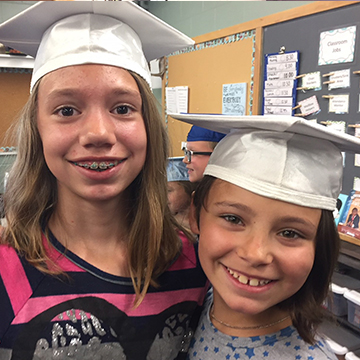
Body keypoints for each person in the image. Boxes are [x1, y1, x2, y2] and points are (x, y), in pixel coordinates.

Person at [0, 3, 208, 358]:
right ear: (37, 129)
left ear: (147, 126)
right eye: (66, 110)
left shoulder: (195, 266)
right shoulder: (7, 270)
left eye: (122, 108)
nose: (98, 133)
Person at [170, 113, 360, 360]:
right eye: (233, 218)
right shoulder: (198, 301)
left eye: (290, 233)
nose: (255, 253)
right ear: (195, 215)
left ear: (318, 246)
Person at [167, 157, 197, 233]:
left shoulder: (206, 223)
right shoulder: (165, 230)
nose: (163, 196)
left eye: (168, 191)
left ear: (190, 189)